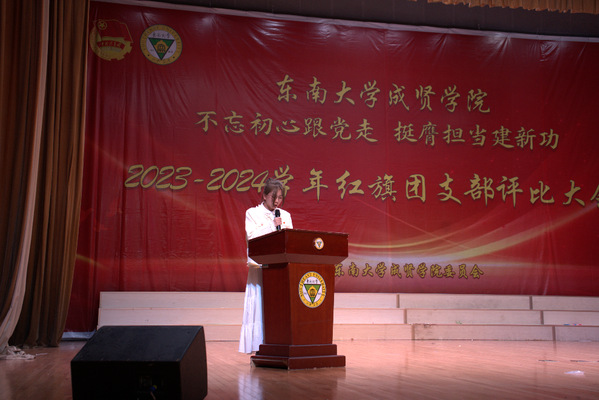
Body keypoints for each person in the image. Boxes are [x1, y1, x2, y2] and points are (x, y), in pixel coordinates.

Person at [239, 178, 293, 354]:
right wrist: (271, 225)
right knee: (258, 305)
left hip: (279, 268)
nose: (277, 201)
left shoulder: (285, 215)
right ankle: (257, 345)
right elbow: (252, 237)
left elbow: (290, 240)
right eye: (273, 197)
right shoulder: (252, 213)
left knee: (276, 306)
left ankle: (277, 342)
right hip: (259, 268)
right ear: (264, 195)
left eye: (280, 198)